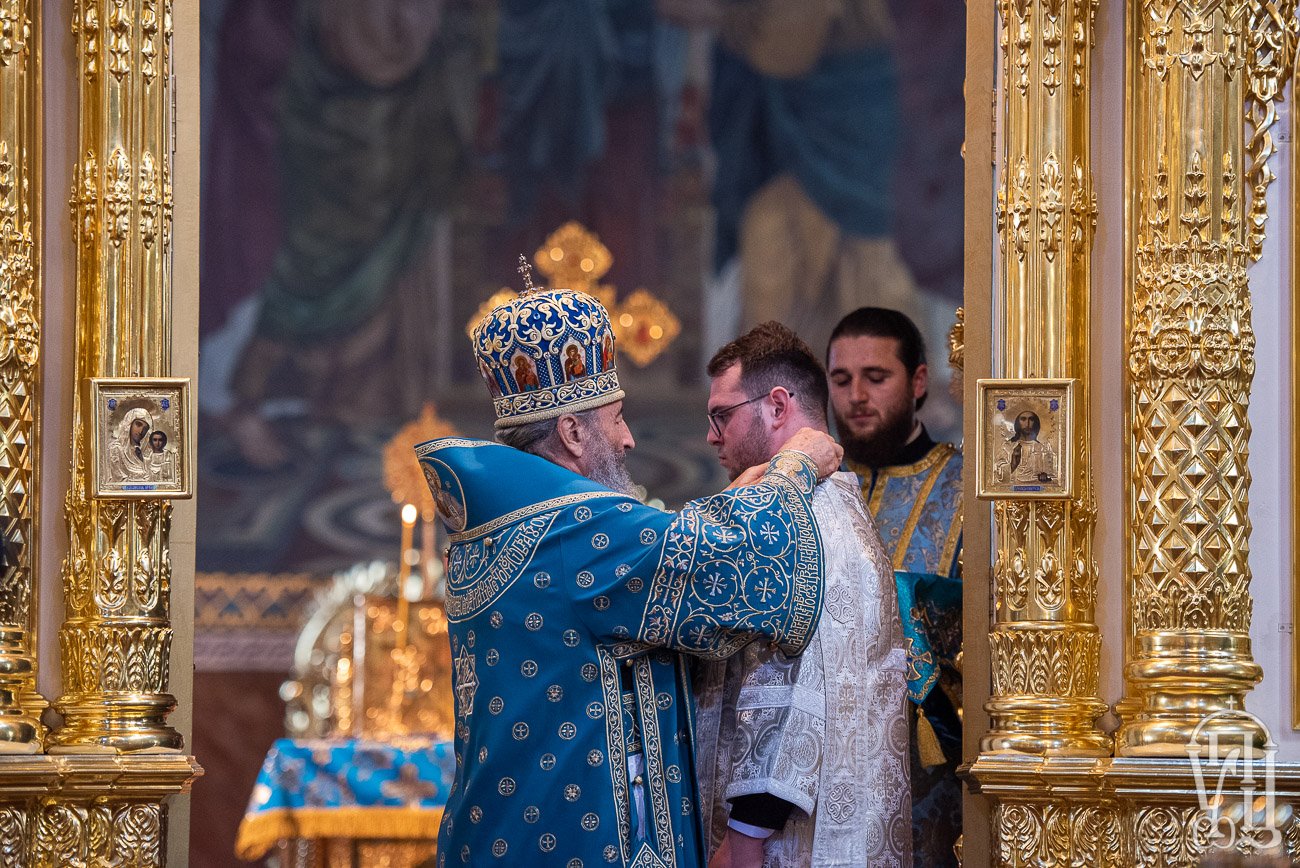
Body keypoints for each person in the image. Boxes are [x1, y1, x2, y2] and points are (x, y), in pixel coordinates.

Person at [417, 281, 843, 868]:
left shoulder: (504, 523)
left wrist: (732, 500)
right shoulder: (572, 530)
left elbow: (649, 558)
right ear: (572, 432)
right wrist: (793, 467)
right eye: (616, 419)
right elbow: (731, 562)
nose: (628, 438)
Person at [697, 321, 910, 866]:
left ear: (776, 406)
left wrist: (742, 840)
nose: (713, 436)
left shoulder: (794, 522)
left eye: (722, 415)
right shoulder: (835, 506)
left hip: (784, 846)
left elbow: (793, 689)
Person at [826, 306, 962, 868]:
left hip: (929, 777)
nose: (856, 396)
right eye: (841, 380)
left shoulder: (965, 487)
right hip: (827, 773)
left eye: (876, 377)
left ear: (918, 381)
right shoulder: (815, 495)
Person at [996, 410, 1055, 485]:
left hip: (1036, 487)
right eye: (1023, 419)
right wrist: (1013, 463)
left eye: (1031, 419)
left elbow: (1052, 472)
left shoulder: (1043, 448)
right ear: (1018, 423)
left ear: (1035, 423)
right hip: (1013, 488)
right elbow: (997, 474)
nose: (1027, 423)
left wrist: (1045, 476)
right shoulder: (1008, 446)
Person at [108, 408, 153, 483]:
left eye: (145, 429)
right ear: (129, 424)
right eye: (138, 424)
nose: (141, 431)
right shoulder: (115, 449)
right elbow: (119, 480)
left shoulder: (142, 452)